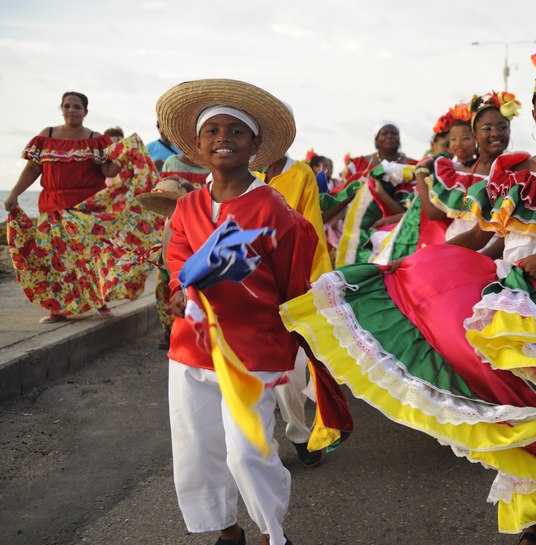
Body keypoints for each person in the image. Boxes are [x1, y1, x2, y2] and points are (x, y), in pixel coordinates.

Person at [279, 37, 536, 545]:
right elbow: (489, 238)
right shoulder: (513, 173)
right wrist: (418, 262)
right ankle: (532, 523)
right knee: (520, 405)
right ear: (535, 117)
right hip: (516, 306)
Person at [157, 78, 319, 545]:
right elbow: (176, 266)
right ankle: (225, 528)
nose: (222, 138)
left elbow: (293, 280)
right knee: (196, 446)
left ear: (254, 146)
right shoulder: (186, 206)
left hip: (252, 350)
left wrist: (290, 336)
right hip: (191, 349)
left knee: (248, 451)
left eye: (235, 131)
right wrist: (176, 288)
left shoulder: (274, 207)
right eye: (212, 131)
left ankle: (272, 531)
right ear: (199, 145)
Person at [4, 91, 163, 323]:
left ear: (85, 112)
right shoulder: (46, 136)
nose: (71, 110)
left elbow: (108, 172)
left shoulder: (96, 139)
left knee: (90, 259)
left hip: (86, 208)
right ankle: (58, 310)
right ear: (61, 109)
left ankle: (101, 303)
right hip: (51, 206)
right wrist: (14, 194)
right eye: (67, 106)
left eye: (77, 107)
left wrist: (122, 156)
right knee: (54, 259)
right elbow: (32, 169)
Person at [376, 90, 521, 263]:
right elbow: (434, 213)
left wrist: (480, 260)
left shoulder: (516, 174)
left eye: (502, 127)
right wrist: (421, 172)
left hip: (494, 257)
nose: (495, 133)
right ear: (476, 135)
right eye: (487, 128)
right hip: (456, 247)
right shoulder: (459, 174)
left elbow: (504, 233)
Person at [256, 151, 335, 466]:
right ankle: (260, 447)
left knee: (291, 369)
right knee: (251, 373)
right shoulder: (240, 175)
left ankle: (300, 434)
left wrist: (314, 280)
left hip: (292, 282)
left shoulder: (301, 174)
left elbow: (310, 227)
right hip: (248, 287)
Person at [323, 122, 416, 266]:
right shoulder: (360, 164)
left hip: (396, 228)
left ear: (399, 139)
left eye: (394, 133)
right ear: (376, 139)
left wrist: (382, 194)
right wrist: (334, 218)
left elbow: (412, 208)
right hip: (357, 226)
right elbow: (345, 193)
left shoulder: (411, 165)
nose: (390, 136)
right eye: (384, 133)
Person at [136, 176, 196, 349]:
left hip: (179, 270)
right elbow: (166, 250)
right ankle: (171, 333)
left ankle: (178, 335)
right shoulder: (171, 221)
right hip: (169, 269)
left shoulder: (182, 220)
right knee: (167, 300)